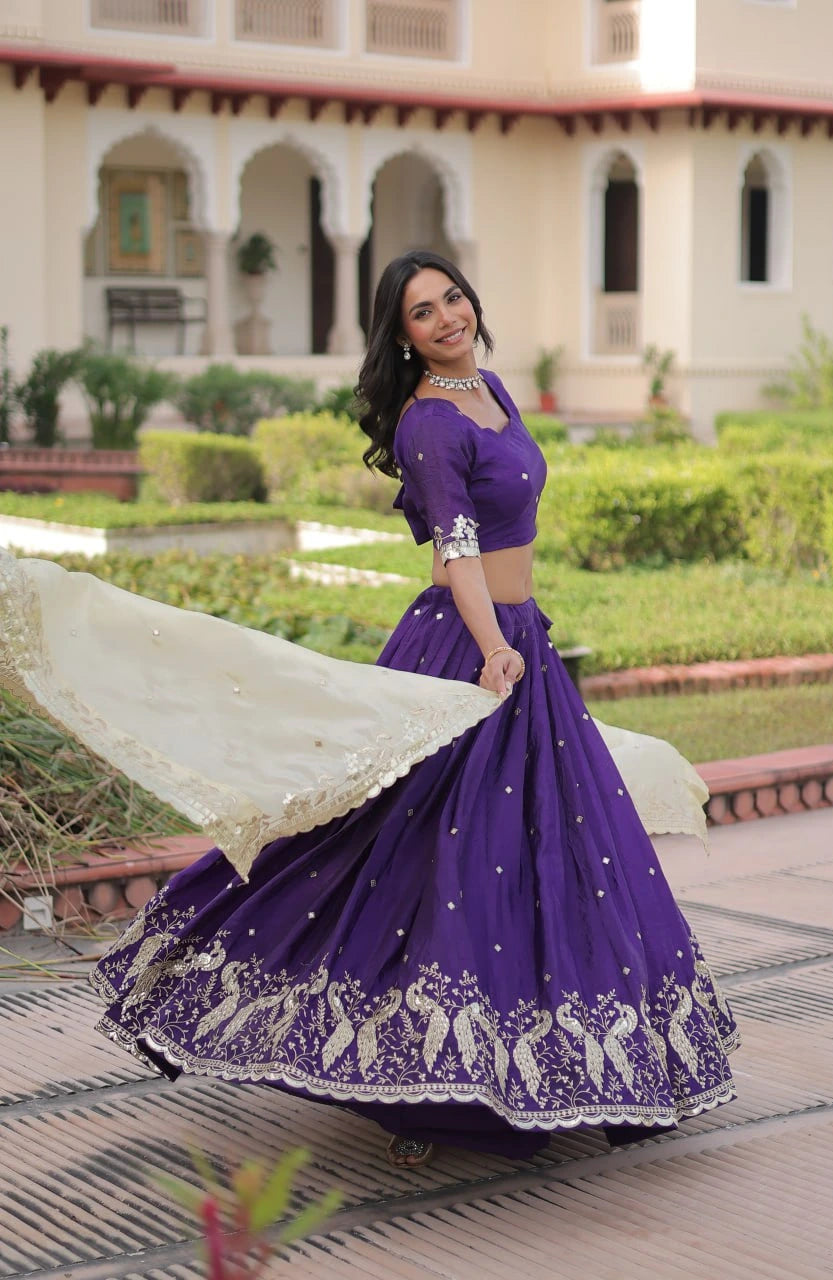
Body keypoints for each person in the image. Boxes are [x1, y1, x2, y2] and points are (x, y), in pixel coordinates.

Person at [12, 250, 738, 1169]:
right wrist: (494, 647)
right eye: (421, 313)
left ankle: (564, 1064)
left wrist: (519, 637)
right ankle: (432, 1079)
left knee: (548, 849)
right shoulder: (429, 422)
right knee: (414, 848)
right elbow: (456, 546)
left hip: (519, 638)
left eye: (452, 298)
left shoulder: (491, 390)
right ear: (400, 336)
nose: (445, 318)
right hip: (472, 649)